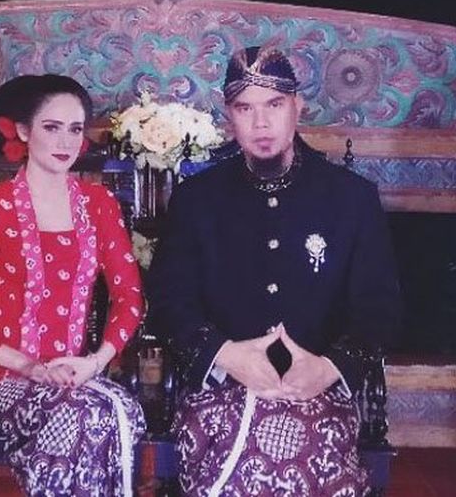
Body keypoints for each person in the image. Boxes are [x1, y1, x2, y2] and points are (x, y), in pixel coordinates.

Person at [148, 45, 401, 496]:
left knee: (301, 449)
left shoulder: (351, 198)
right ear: (229, 115)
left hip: (318, 394)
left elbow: (379, 308)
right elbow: (169, 301)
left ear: (297, 107)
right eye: (245, 108)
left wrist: (329, 368)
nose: (261, 123)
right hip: (220, 391)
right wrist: (225, 356)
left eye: (274, 105)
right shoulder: (197, 200)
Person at [0, 74, 146, 496]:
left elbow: (129, 298)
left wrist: (95, 362)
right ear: (23, 131)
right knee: (74, 415)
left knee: (119, 410)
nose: (65, 141)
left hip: (73, 375)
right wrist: (27, 366)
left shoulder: (99, 205)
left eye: (75, 129)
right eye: (52, 127)